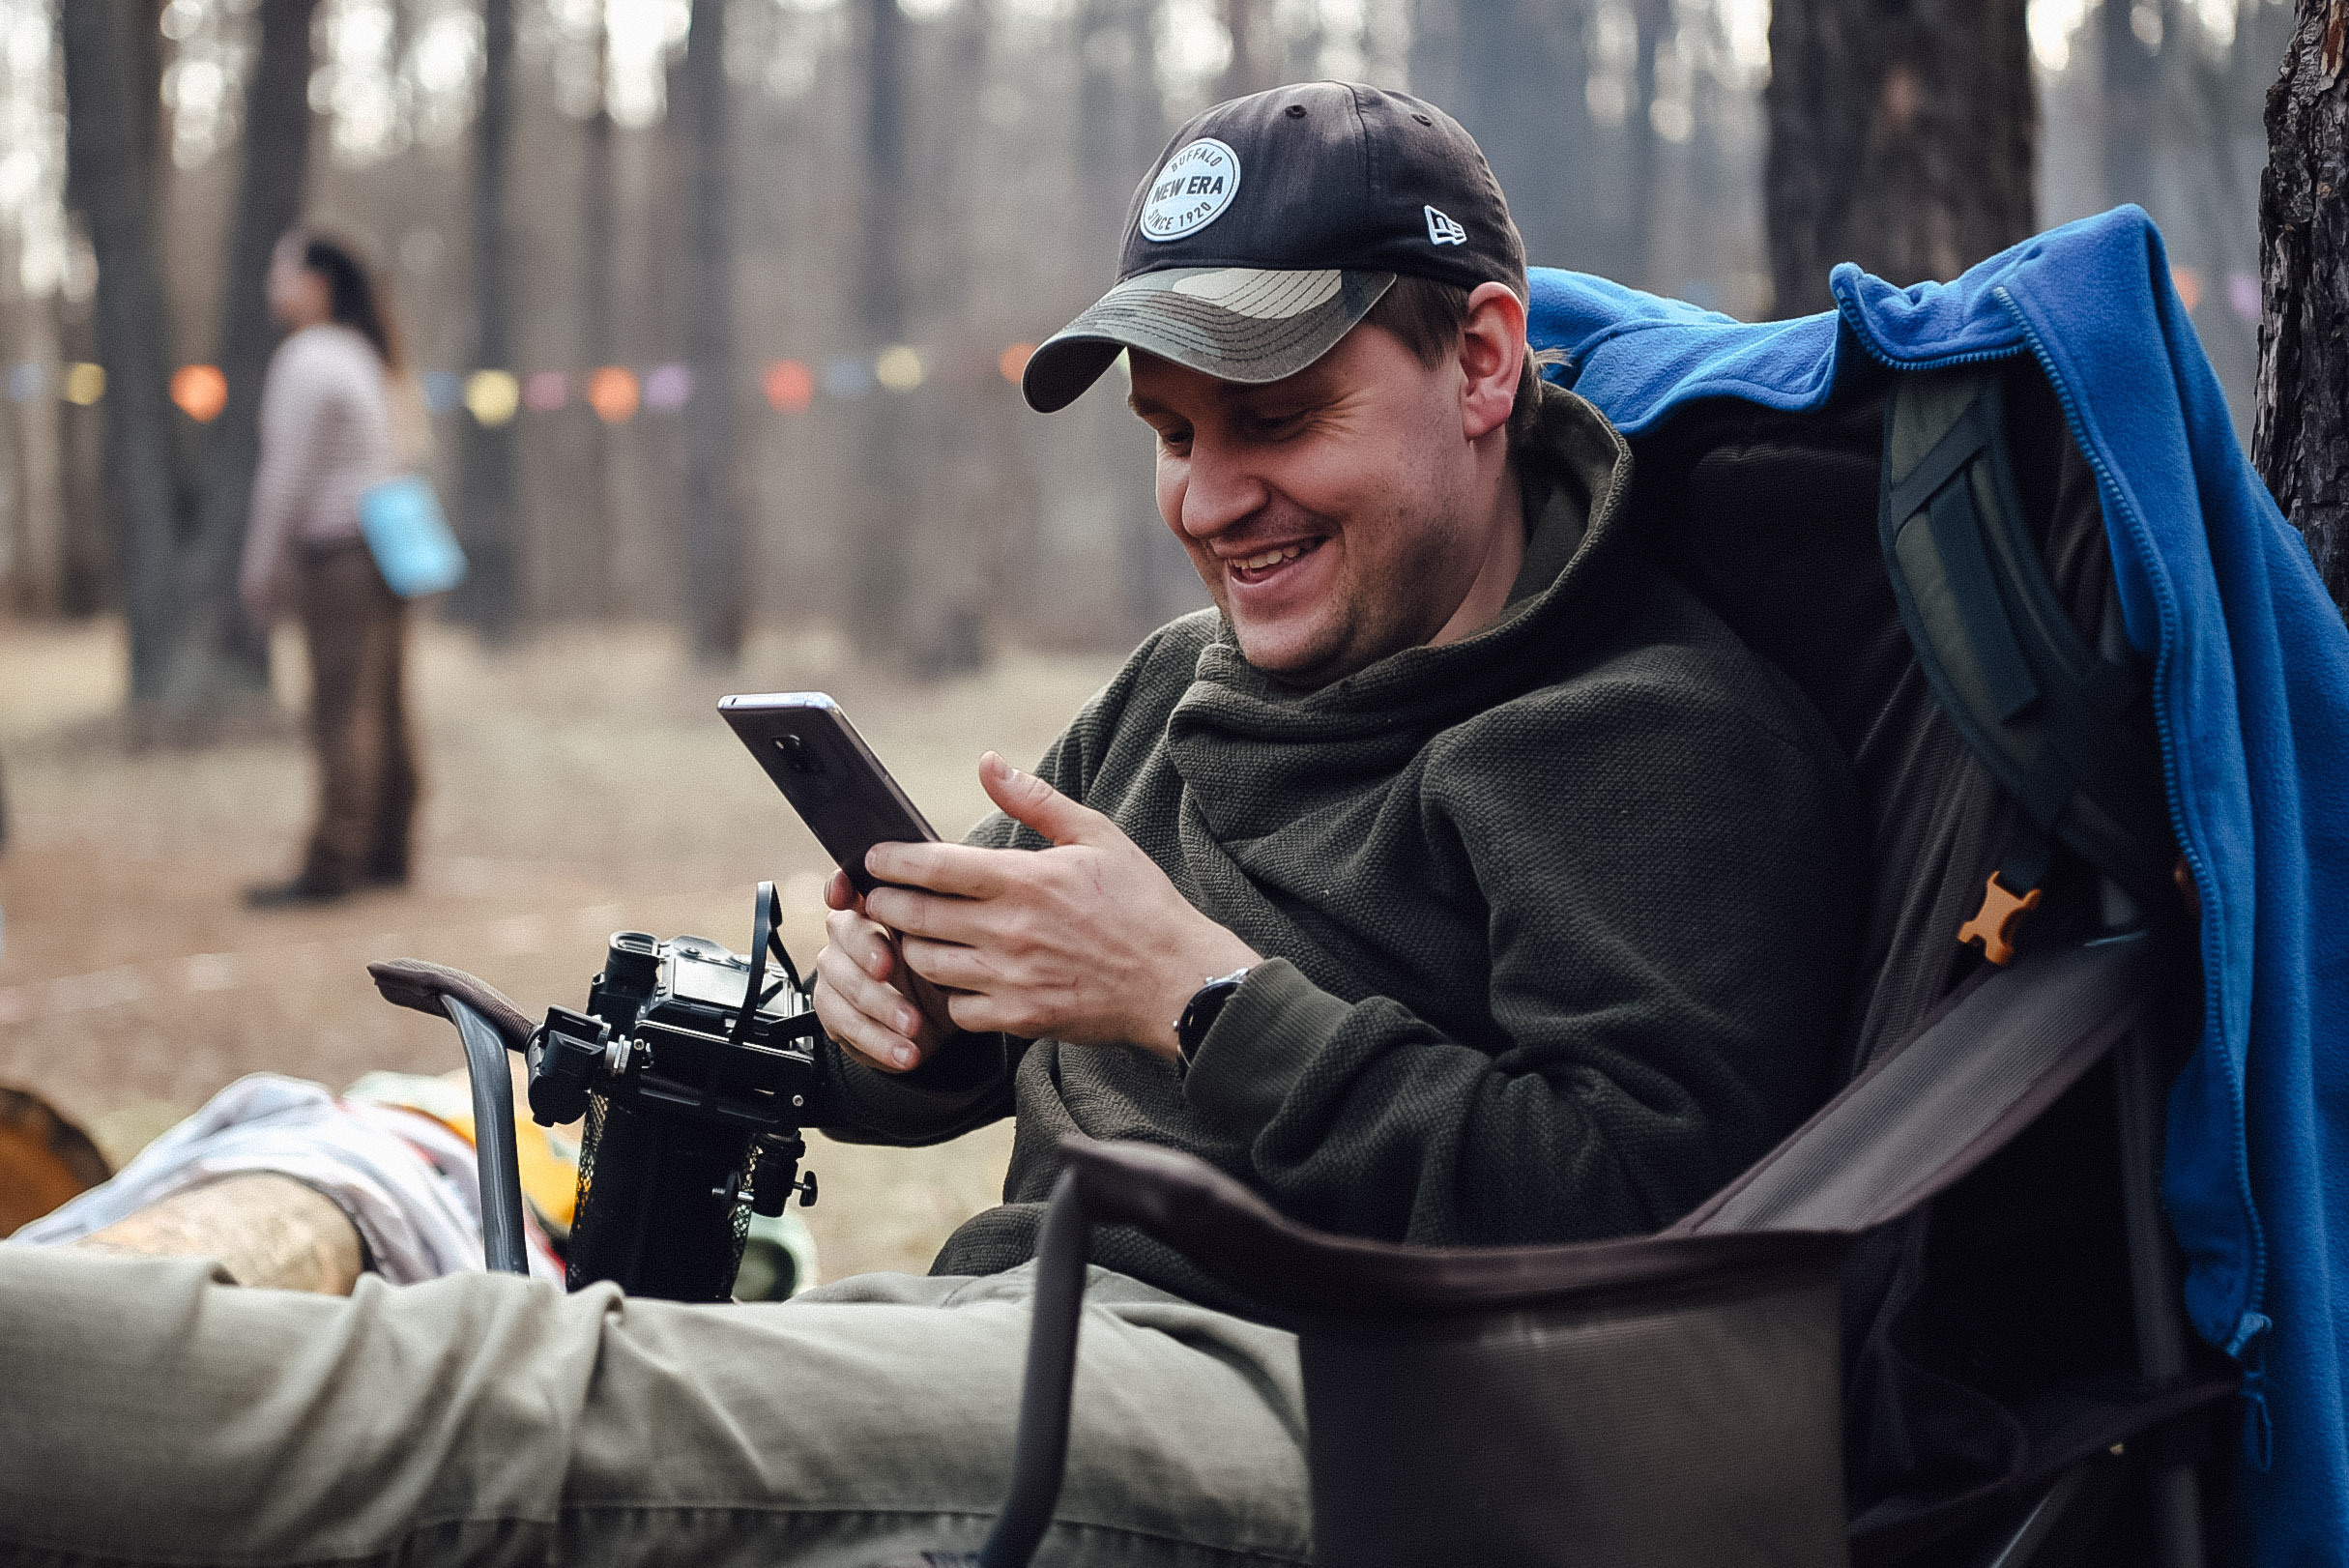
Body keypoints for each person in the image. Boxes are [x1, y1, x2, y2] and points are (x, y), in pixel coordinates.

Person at [0, 86, 1860, 1566]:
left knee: (532, 1398)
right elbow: (973, 1059)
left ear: (1481, 362)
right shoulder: (1183, 682)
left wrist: (1198, 997)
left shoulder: (1655, 733)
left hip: (1371, 1416)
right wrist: (891, 1013)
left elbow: (1637, 1228)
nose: (1211, 501)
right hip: (1032, 1333)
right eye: (1170, 432)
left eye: (1276, 419)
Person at [239, 228, 425, 907]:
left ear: (316, 284)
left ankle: (333, 863)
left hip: (340, 552)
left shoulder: (309, 358)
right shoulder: (365, 356)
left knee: (340, 710)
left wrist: (262, 561)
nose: (271, 285)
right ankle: (389, 850)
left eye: (280, 271)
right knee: (387, 704)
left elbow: (286, 474)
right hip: (386, 545)